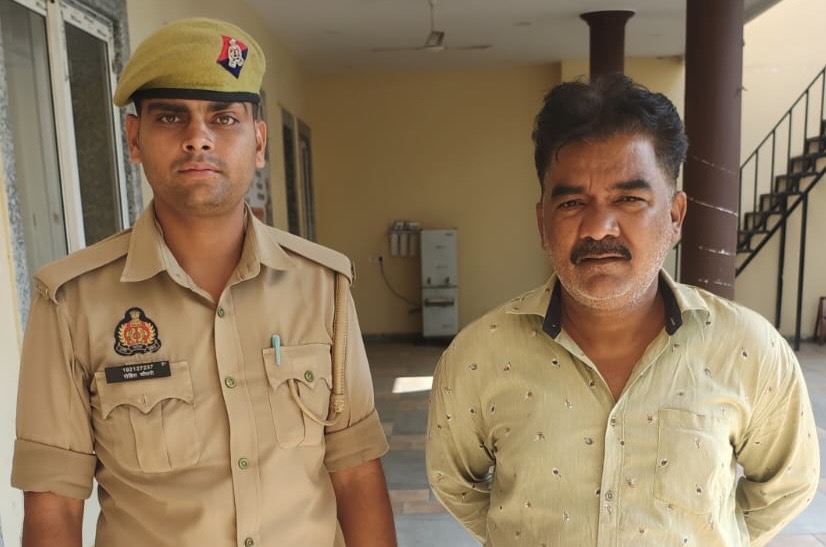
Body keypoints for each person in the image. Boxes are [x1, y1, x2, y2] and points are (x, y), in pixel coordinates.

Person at [11, 17, 397, 547]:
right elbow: (54, 506)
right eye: (171, 117)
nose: (198, 138)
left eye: (224, 118)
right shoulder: (71, 302)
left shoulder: (321, 286)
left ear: (258, 141)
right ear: (134, 139)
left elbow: (356, 472)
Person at [425, 74, 819, 546]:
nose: (598, 227)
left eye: (629, 199)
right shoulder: (478, 356)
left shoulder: (748, 350)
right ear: (542, 222)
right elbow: (455, 482)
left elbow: (786, 485)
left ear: (674, 216)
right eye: (573, 202)